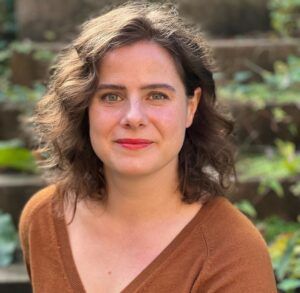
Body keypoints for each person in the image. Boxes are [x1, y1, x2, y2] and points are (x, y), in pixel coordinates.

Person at [18, 1, 277, 292]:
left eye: (157, 95)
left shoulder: (232, 253)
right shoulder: (42, 218)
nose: (133, 118)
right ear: (84, 106)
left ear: (190, 107)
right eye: (111, 96)